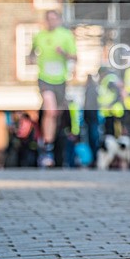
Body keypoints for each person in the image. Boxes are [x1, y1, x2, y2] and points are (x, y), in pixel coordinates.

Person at [29, 10, 77, 167]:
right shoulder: (40, 36)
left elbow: (75, 57)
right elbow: (32, 51)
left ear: (59, 20)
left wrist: (63, 53)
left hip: (60, 80)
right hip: (44, 79)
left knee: (55, 114)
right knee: (50, 110)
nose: (51, 22)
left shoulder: (66, 35)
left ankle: (47, 144)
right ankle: (47, 149)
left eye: (54, 19)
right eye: (48, 19)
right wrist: (31, 58)